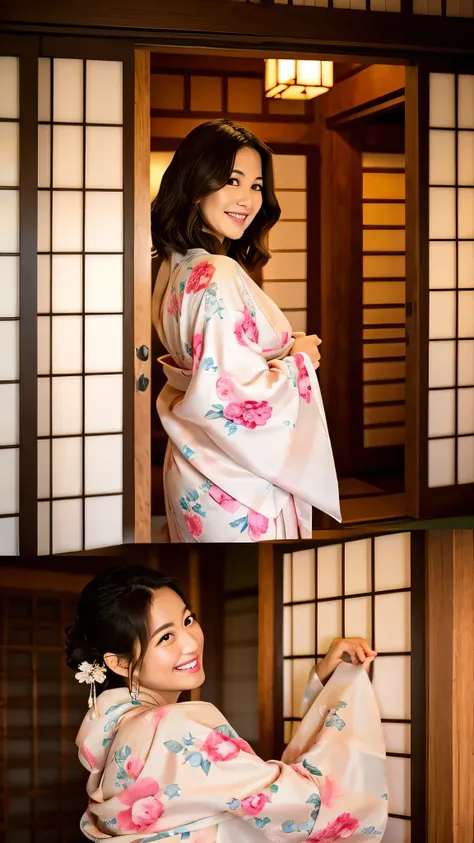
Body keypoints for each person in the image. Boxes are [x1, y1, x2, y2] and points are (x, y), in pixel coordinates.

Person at [66, 566, 388, 842]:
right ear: (120, 664)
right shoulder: (175, 731)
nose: (191, 643)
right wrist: (343, 695)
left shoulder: (108, 730)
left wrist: (323, 681)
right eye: (165, 637)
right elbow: (305, 805)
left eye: (188, 620)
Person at [151, 119, 341, 543]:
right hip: (236, 484)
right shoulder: (216, 272)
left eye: (256, 185)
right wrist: (300, 361)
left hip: (194, 465)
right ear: (196, 182)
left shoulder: (173, 266)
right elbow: (231, 394)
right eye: (231, 180)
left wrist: (283, 351)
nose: (247, 199)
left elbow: (214, 363)